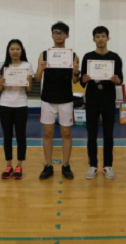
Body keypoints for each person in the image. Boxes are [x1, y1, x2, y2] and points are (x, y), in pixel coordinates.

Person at [35, 21, 80, 180]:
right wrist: (41, 69)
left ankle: (66, 165)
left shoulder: (73, 55)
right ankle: (48, 165)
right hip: (48, 99)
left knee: (66, 133)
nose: (58, 35)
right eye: (56, 32)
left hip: (66, 99)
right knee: (48, 133)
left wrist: (76, 72)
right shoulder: (44, 54)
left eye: (61, 33)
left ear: (67, 35)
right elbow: (37, 78)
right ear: (52, 35)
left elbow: (75, 81)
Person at [80, 26, 123, 180]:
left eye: (103, 36)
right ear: (94, 39)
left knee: (108, 134)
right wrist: (84, 79)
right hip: (92, 100)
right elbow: (82, 82)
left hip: (108, 100)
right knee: (91, 134)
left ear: (108, 38)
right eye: (98, 36)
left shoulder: (115, 57)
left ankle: (107, 166)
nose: (100, 39)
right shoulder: (88, 57)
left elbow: (120, 79)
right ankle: (93, 165)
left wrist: (117, 80)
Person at [0, 39, 33, 180]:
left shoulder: (27, 65)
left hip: (21, 105)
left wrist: (29, 81)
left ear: (21, 50)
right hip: (5, 104)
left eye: (17, 49)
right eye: (12, 49)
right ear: (8, 51)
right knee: (7, 136)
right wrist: (0, 83)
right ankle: (8, 165)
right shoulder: (3, 66)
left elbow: (29, 89)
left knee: (20, 136)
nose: (15, 51)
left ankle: (19, 165)